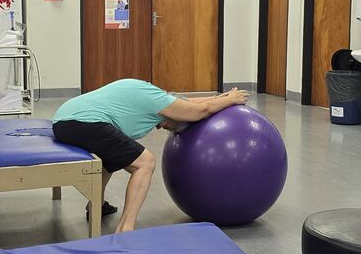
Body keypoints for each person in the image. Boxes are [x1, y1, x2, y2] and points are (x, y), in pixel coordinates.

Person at [52, 78, 249, 233]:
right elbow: (199, 111)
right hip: (84, 123)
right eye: (172, 127)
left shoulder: (155, 96)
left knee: (114, 153)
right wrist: (231, 100)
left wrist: (220, 98)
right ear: (173, 116)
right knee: (144, 162)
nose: (165, 128)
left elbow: (186, 103)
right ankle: (125, 229)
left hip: (64, 120)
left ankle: (97, 205)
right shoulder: (158, 101)